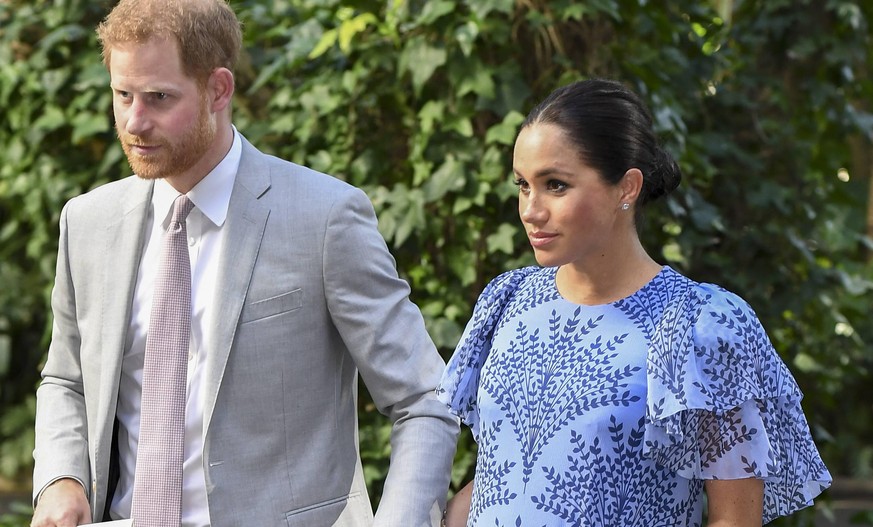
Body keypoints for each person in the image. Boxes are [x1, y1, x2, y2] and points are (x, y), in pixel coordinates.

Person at [30, 0, 459, 525]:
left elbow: (424, 397)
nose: (134, 122)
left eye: (159, 98)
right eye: (123, 95)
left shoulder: (325, 218)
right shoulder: (87, 222)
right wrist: (61, 478)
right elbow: (67, 379)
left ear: (219, 89)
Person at [436, 78, 831, 526]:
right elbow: (499, 477)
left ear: (627, 187)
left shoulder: (698, 327)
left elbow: (733, 519)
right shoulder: (507, 302)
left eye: (556, 185)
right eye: (523, 185)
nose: (531, 208)